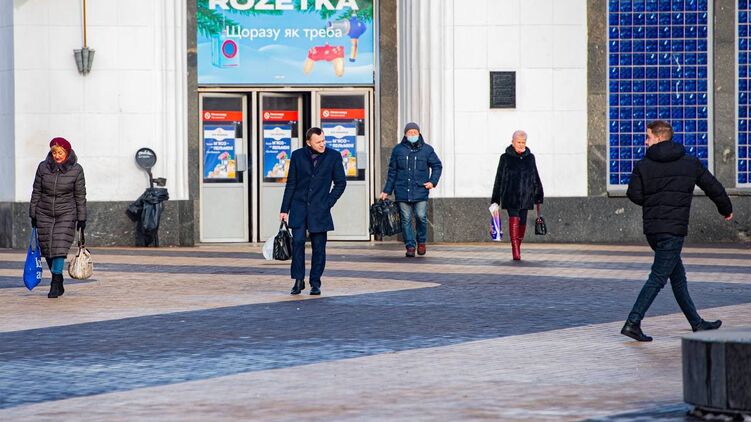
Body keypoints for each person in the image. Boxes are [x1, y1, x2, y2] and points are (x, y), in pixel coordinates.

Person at [621, 120, 733, 342]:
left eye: (648, 137)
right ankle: (633, 322)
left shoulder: (643, 165)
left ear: (659, 137)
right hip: (673, 230)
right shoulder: (689, 163)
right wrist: (726, 209)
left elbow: (633, 194)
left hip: (653, 231)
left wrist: (653, 202)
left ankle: (697, 323)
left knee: (678, 278)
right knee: (658, 277)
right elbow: (713, 186)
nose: (645, 141)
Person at [280, 127, 346, 296]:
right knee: (298, 243)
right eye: (318, 142)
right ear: (309, 142)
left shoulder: (333, 156)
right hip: (299, 207)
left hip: (320, 209)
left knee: (319, 247)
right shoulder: (297, 155)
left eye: (323, 141)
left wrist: (328, 202)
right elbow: (291, 183)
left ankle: (315, 282)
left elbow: (340, 183)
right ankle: (298, 280)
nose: (322, 144)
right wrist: (284, 209)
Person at [29, 137, 87, 298]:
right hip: (44, 211)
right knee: (48, 248)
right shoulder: (43, 167)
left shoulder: (76, 169)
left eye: (60, 152)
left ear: (67, 152)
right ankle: (58, 276)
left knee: (59, 247)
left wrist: (82, 217)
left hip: (66, 213)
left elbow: (80, 195)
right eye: (54, 152)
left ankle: (55, 281)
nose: (57, 155)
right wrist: (33, 212)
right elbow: (36, 191)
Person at [380, 122, 442, 257]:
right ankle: (410, 246)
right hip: (402, 190)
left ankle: (421, 241)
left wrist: (432, 182)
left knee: (421, 216)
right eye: (410, 132)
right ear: (405, 134)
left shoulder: (427, 150)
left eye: (415, 132)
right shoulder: (398, 150)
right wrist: (386, 191)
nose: (412, 134)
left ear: (419, 133)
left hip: (420, 190)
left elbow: (437, 166)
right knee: (406, 219)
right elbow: (392, 172)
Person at [490, 130, 544, 261]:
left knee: (523, 222)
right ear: (513, 142)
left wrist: (538, 194)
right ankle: (515, 250)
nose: (521, 145)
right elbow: (499, 178)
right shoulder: (505, 158)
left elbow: (535, 176)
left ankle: (518, 246)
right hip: (510, 196)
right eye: (518, 142)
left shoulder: (530, 157)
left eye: (523, 142)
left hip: (526, 196)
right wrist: (495, 199)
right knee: (514, 218)